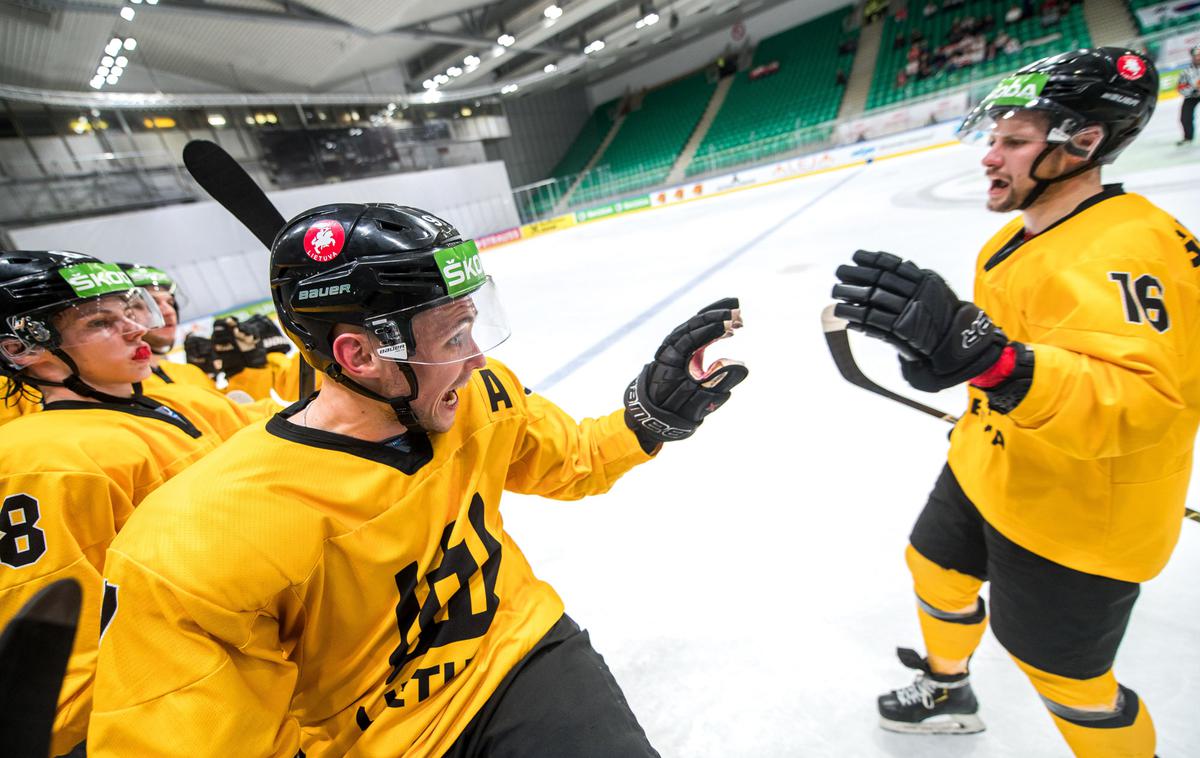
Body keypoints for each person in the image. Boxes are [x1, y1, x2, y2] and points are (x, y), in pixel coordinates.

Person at [88, 203, 748, 756]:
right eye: (452, 335)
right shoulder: (195, 539)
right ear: (359, 355)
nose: (476, 359)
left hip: (517, 654)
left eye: (472, 324)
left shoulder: (477, 396)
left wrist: (647, 419)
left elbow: (572, 458)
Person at [832, 48, 1198, 756]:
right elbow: (1010, 351)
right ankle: (946, 690)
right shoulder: (1012, 237)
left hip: (1083, 512)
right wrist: (944, 353)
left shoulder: (1136, 250)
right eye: (994, 136)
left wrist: (995, 361)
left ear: (1084, 142)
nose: (990, 156)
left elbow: (1146, 402)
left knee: (1068, 679)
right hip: (991, 464)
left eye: (1014, 140)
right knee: (934, 566)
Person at [0, 250, 274, 756]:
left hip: (238, 666)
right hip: (165, 716)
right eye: (101, 322)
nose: (135, 329)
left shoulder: (156, 405)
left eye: (129, 310)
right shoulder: (43, 457)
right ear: (25, 349)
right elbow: (59, 627)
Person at [116, 263, 213, 389]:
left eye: (170, 302)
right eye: (152, 303)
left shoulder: (189, 372)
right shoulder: (120, 388)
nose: (169, 311)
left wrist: (237, 370)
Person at [1177, 45, 1199, 146]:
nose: (1198, 57)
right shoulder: (1186, 72)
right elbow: (1181, 89)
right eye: (1196, 55)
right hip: (1192, 96)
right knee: (1185, 117)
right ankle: (1188, 137)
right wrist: (1192, 89)